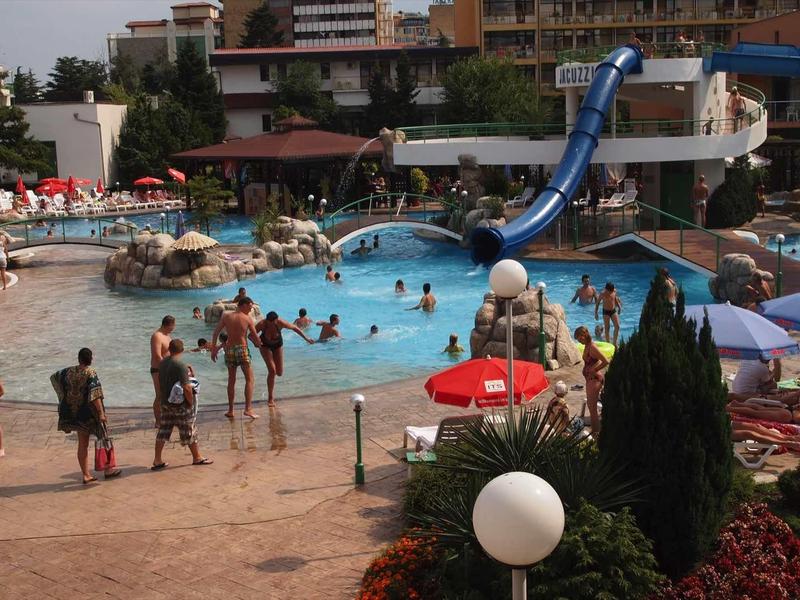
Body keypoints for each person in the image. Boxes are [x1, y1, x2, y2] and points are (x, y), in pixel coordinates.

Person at [51, 348, 122, 484]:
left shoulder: (68, 371)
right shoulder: (91, 372)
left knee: (82, 444)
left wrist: (64, 397)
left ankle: (86, 474)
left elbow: (54, 378)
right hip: (90, 414)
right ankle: (108, 470)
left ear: (79, 359)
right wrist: (101, 413)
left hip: (76, 414)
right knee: (104, 438)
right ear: (90, 359)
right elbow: (95, 395)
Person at [152, 339, 212, 469]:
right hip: (180, 405)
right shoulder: (180, 365)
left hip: (166, 402)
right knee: (189, 430)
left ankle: (157, 460)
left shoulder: (162, 363)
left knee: (163, 431)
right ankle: (197, 457)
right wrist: (190, 403)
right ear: (182, 350)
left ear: (169, 349)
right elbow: (187, 387)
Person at [211, 297, 262, 419]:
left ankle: (230, 410)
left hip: (230, 350)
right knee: (250, 379)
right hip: (242, 349)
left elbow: (215, 332)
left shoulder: (226, 317)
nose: (250, 309)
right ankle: (248, 409)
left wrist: (213, 349)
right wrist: (259, 344)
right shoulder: (247, 318)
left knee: (231, 380)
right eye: (250, 306)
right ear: (243, 305)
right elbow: (255, 336)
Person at [255, 311, 314, 407]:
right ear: (267, 321)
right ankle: (270, 398)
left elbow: (295, 328)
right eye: (269, 323)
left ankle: (273, 371)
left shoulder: (280, 323)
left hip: (277, 345)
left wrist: (306, 339)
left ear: (276, 320)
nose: (272, 325)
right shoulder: (262, 324)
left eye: (273, 323)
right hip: (265, 346)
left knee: (279, 373)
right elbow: (250, 335)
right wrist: (256, 342)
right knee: (272, 371)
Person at [574, 326, 608, 435]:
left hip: (594, 380)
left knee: (593, 410)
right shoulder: (587, 346)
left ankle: (596, 434)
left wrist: (594, 370)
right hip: (590, 380)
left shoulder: (592, 347)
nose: (579, 341)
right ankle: (595, 432)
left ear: (584, 335)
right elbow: (594, 361)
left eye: (579, 339)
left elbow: (605, 361)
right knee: (591, 407)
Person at [150, 315, 175, 428]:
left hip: (168, 368)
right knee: (159, 395)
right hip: (158, 370)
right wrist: (167, 366)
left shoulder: (167, 336)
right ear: (168, 324)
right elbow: (157, 355)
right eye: (173, 325)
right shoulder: (157, 336)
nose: (174, 328)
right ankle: (158, 421)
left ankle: (168, 417)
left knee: (169, 394)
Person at [595, 282, 623, 346]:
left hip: (613, 310)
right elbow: (597, 303)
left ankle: (614, 343)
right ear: (606, 289)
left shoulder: (614, 291)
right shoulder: (602, 294)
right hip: (606, 312)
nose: (611, 293)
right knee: (607, 328)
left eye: (611, 291)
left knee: (617, 326)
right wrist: (596, 313)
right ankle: (608, 343)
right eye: (609, 291)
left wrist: (619, 307)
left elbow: (615, 299)